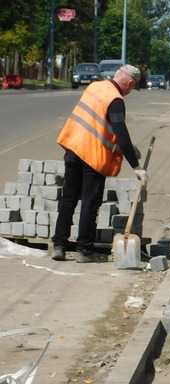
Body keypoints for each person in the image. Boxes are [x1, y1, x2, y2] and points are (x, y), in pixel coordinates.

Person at [51, 65, 146, 262]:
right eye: (132, 87)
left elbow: (97, 123)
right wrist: (136, 166)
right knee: (90, 202)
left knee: (68, 199)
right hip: (93, 156)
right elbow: (120, 132)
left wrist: (127, 146)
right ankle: (84, 251)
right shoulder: (115, 100)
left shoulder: (95, 87)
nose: (129, 92)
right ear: (128, 83)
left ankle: (59, 245)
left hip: (73, 148)